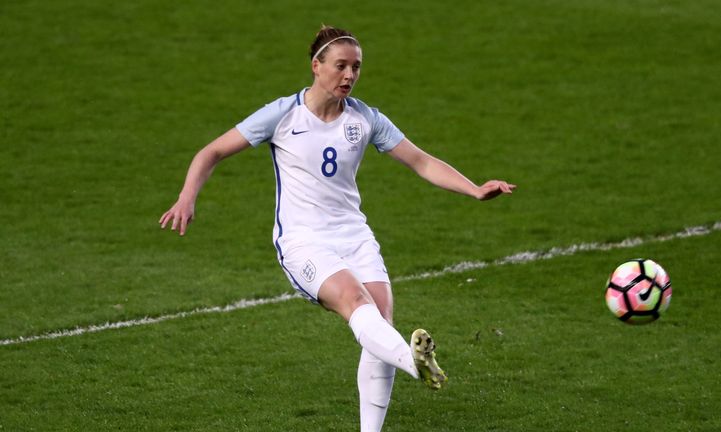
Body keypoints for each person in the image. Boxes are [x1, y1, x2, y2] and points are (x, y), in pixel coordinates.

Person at [159, 25, 516, 432]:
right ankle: (414, 365)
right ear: (316, 66)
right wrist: (188, 195)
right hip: (303, 241)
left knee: (380, 317)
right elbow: (213, 151)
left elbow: (421, 161)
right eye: (341, 66)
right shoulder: (282, 114)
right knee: (355, 303)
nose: (349, 75)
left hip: (355, 235)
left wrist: (474, 189)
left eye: (357, 67)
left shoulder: (365, 119)